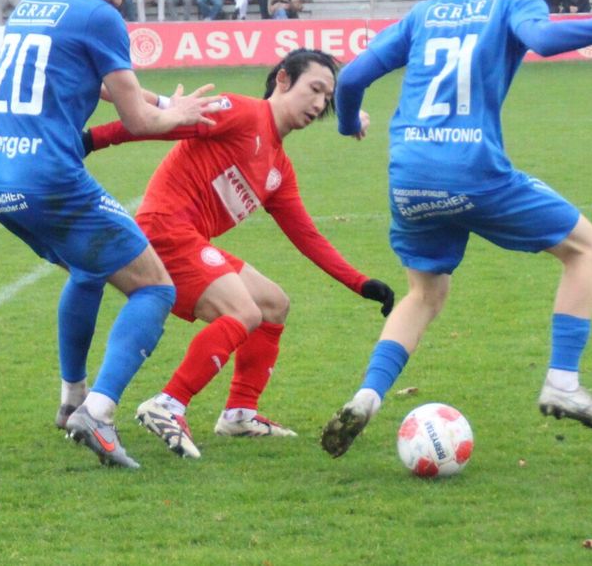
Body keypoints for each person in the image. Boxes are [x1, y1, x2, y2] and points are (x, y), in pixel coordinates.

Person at [318, 0, 592, 459]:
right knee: (587, 248)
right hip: (472, 168)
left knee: (425, 293)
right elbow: (542, 41)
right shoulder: (517, 0)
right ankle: (563, 383)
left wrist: (348, 121)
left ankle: (367, 396)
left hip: (409, 175)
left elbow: (350, 77)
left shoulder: (427, 11)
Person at [0, 0, 221, 469]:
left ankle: (70, 401)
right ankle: (100, 411)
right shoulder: (101, 15)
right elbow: (134, 119)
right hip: (51, 180)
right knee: (157, 288)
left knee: (91, 271)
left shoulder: (34, 5)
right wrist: (175, 116)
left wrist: (164, 103)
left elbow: (109, 88)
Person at [80, 51, 394, 455]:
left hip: (190, 240)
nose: (319, 105)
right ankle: (167, 404)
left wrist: (361, 283)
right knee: (243, 312)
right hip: (164, 231)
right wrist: (90, 141)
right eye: (314, 89)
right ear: (283, 80)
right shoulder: (242, 113)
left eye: (327, 98)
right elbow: (155, 125)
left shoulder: (278, 168)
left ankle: (239, 415)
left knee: (272, 303)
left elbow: (307, 237)